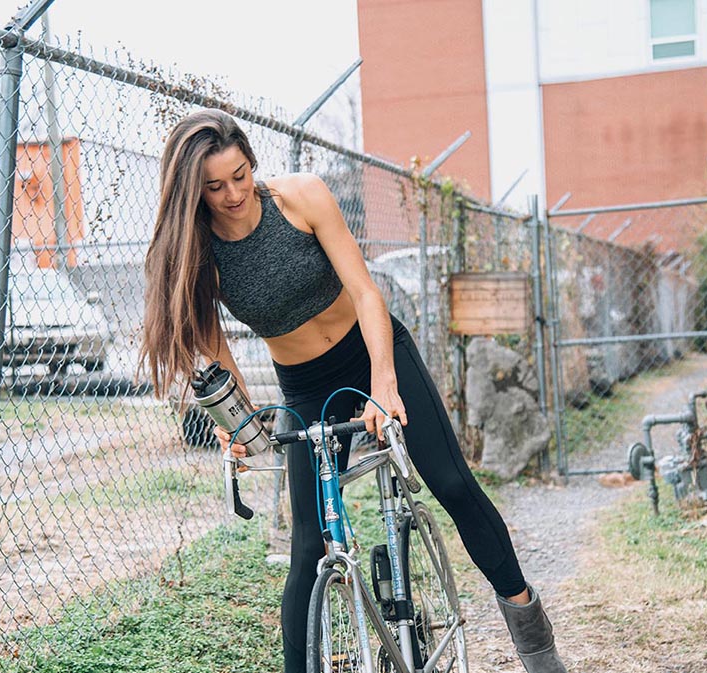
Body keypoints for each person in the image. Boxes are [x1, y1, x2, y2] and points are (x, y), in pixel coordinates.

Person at [139, 108, 567, 673]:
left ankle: (535, 643)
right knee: (308, 548)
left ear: (252, 162)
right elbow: (218, 354)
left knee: (452, 485)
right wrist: (236, 422)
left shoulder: (302, 198)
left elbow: (366, 293)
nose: (233, 193)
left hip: (373, 351)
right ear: (193, 190)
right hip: (304, 390)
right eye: (215, 186)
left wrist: (383, 382)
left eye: (240, 175)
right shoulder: (200, 256)